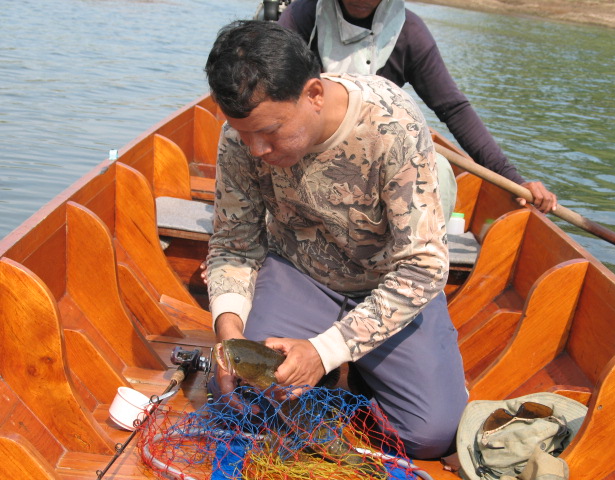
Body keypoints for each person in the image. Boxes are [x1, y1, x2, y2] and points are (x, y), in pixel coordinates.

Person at [204, 20, 468, 459]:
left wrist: (324, 351)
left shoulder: (392, 123)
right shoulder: (241, 135)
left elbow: (423, 266)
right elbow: (234, 244)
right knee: (242, 397)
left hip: (389, 283)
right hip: (303, 273)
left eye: (270, 133)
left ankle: (350, 365)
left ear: (314, 95)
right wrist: (229, 336)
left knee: (431, 434)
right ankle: (326, 364)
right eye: (244, 133)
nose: (255, 150)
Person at [278, 0, 558, 213]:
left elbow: (453, 108)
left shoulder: (408, 32)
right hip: (306, 149)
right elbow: (270, 90)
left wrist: (512, 178)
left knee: (441, 171)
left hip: (375, 155)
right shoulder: (301, 17)